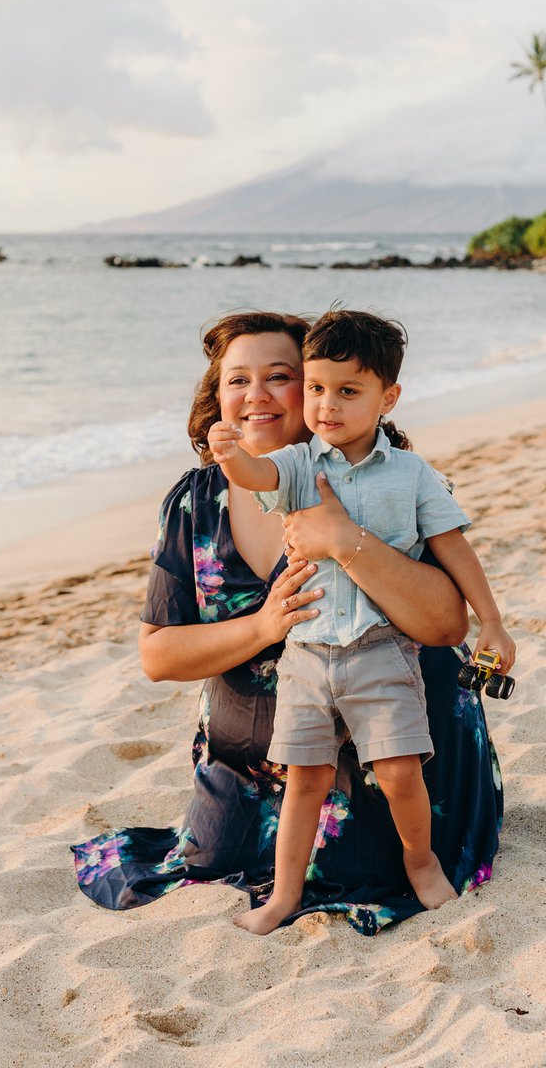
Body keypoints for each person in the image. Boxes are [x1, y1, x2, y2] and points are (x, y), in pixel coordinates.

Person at [71, 310, 503, 936]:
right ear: (217, 397)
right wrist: (265, 625)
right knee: (213, 856)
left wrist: (347, 541)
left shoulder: (394, 480)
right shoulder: (196, 501)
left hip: (392, 743)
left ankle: (418, 853)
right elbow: (159, 656)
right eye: (237, 380)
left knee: (364, 864)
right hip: (254, 760)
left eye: (281, 376)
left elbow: (444, 627)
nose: (257, 396)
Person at [207, 308, 515, 933]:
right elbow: (257, 474)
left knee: (401, 770)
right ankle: (284, 894)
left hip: (381, 649)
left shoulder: (412, 474)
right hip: (309, 653)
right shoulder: (297, 465)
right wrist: (230, 453)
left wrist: (493, 623)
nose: (326, 406)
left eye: (348, 392)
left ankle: (422, 864)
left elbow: (454, 547)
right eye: (316, 389)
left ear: (388, 397)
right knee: (305, 779)